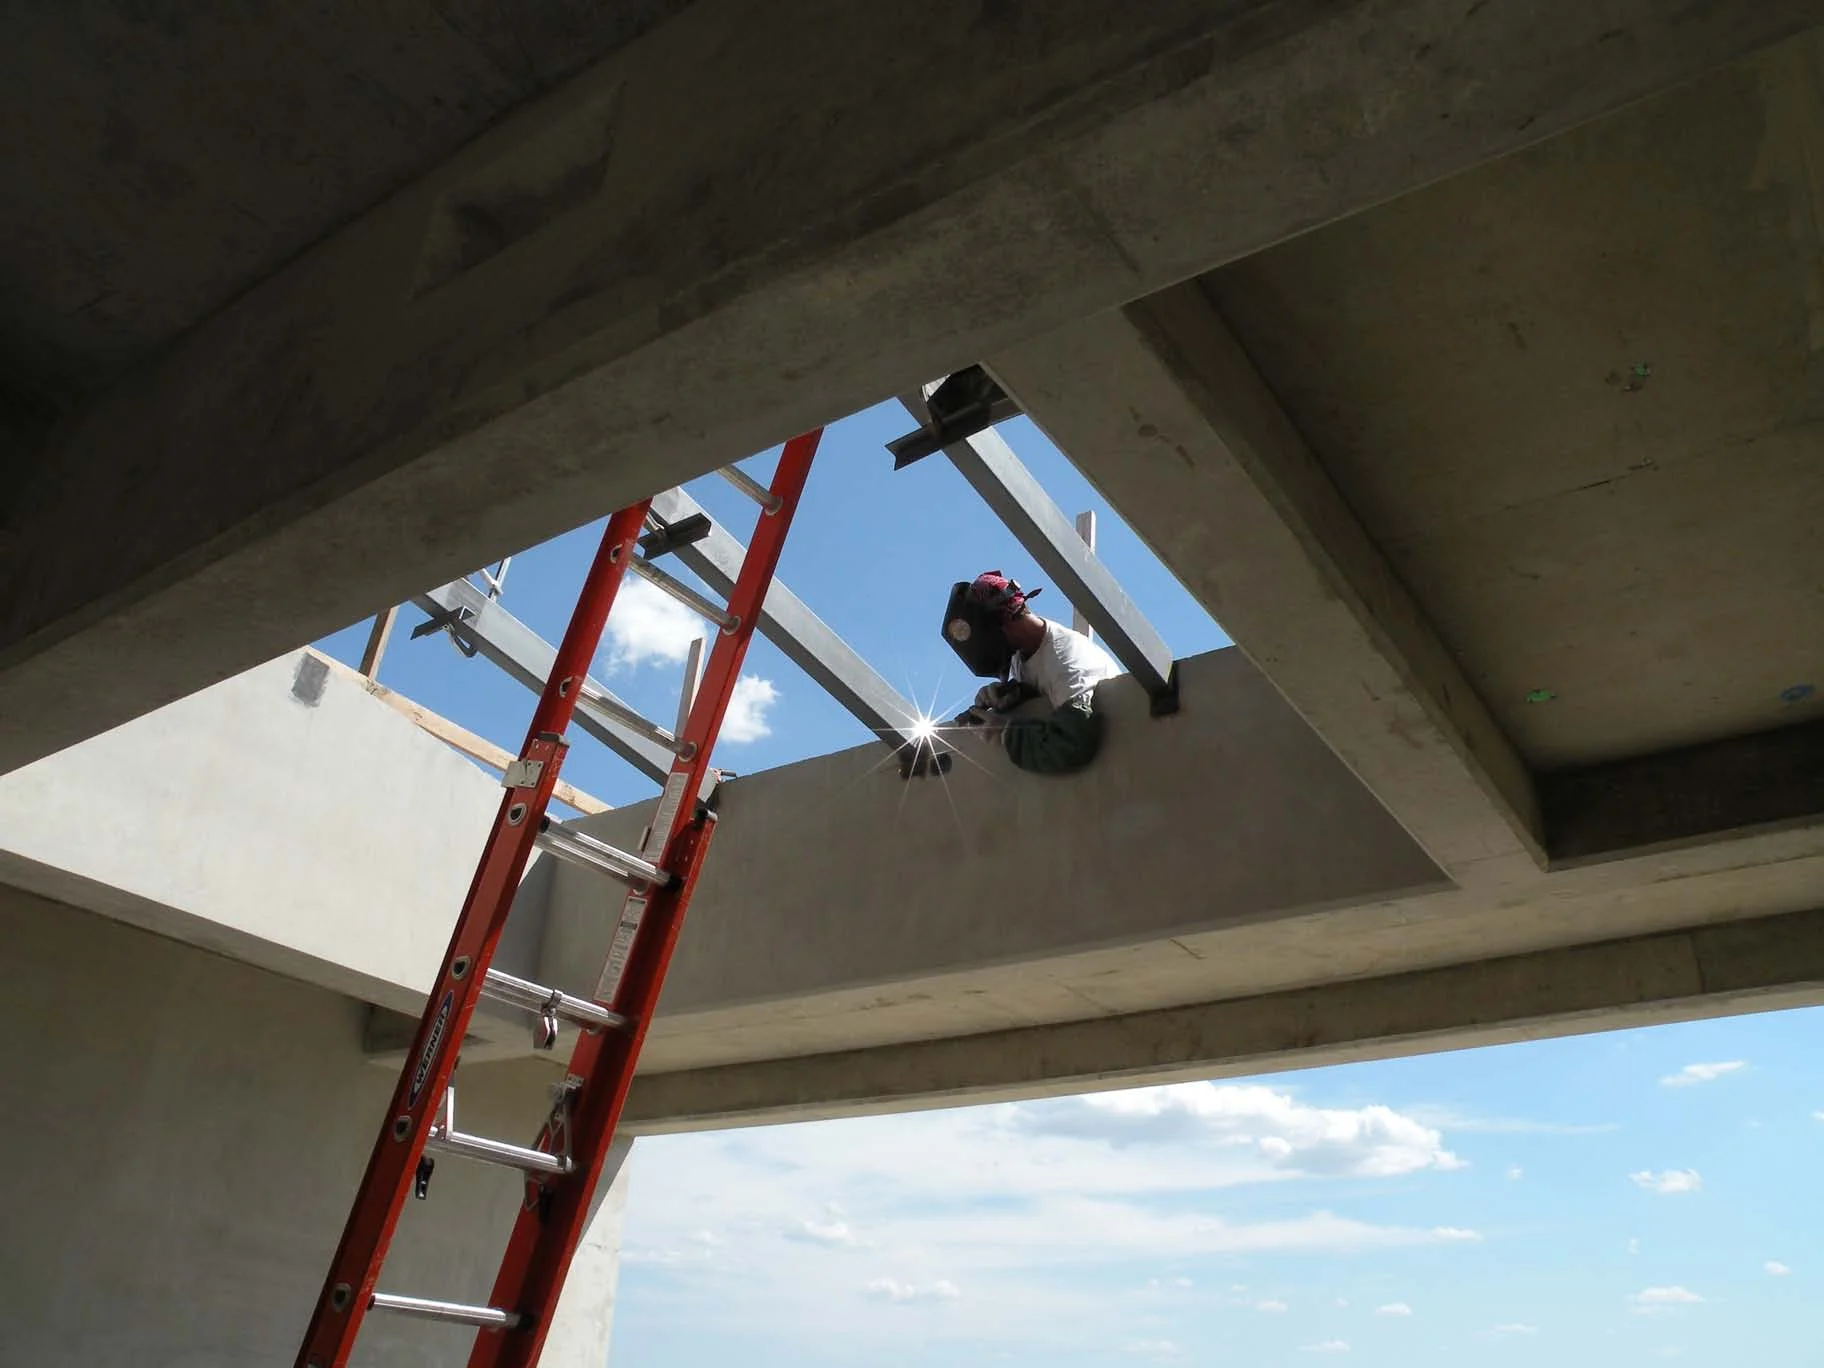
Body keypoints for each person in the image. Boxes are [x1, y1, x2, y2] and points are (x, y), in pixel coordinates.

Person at [944, 570, 1121, 774]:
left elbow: (1074, 744)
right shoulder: (1021, 652)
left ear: (1005, 623)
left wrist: (1007, 733)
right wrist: (1017, 694)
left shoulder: (1069, 663)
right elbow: (1046, 687)